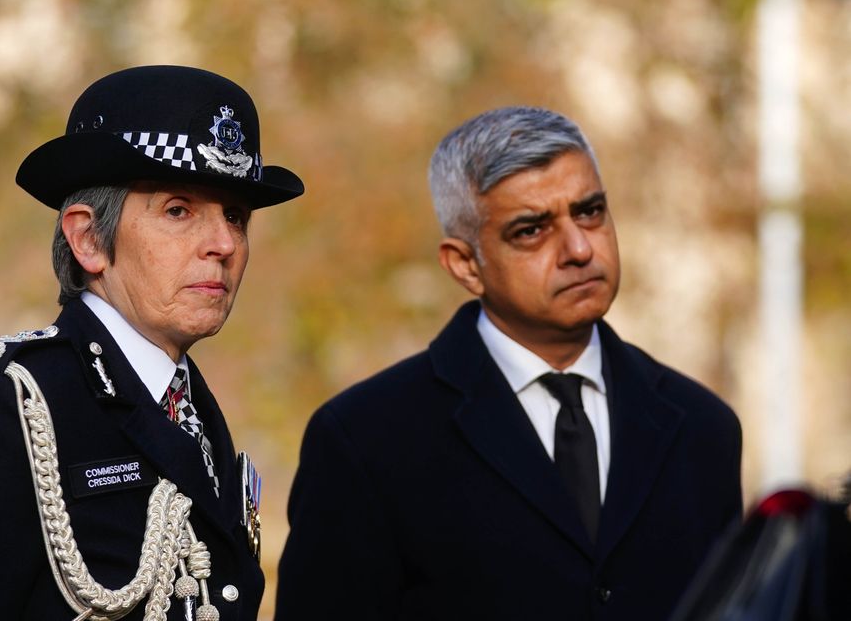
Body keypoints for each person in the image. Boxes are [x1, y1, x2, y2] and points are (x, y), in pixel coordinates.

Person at [0, 65, 303, 620]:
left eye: (236, 216)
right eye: (178, 210)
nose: (223, 243)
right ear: (87, 238)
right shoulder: (15, 405)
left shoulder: (189, 404)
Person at [275, 107, 741, 620]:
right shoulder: (365, 441)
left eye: (589, 211)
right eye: (531, 230)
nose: (579, 248)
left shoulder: (704, 429)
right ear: (465, 265)